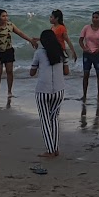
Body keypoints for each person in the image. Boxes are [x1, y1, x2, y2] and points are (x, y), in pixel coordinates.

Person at [28, 28, 72, 157]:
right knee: (54, 119)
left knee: (45, 120)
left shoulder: (39, 53)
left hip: (43, 90)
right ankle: (56, 148)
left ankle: (49, 150)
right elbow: (66, 72)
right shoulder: (61, 52)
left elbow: (32, 73)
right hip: (59, 90)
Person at [0, 9, 31, 106]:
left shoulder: (10, 25)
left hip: (9, 51)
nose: (6, 18)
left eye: (6, 16)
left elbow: (20, 33)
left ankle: (9, 91)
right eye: (3, 16)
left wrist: (30, 40)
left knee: (9, 72)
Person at [79, 11, 99, 102]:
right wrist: (84, 48)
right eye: (93, 17)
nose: (94, 19)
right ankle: (84, 95)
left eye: (96, 17)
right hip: (87, 53)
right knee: (86, 74)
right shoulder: (86, 28)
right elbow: (81, 40)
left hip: (97, 54)